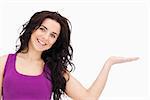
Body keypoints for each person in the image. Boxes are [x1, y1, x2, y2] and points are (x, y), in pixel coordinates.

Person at [0, 10, 139, 100]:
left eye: (53, 35)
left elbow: (88, 98)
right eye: (43, 29)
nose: (45, 37)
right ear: (32, 29)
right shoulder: (4, 62)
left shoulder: (54, 70)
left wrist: (109, 62)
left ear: (55, 42)